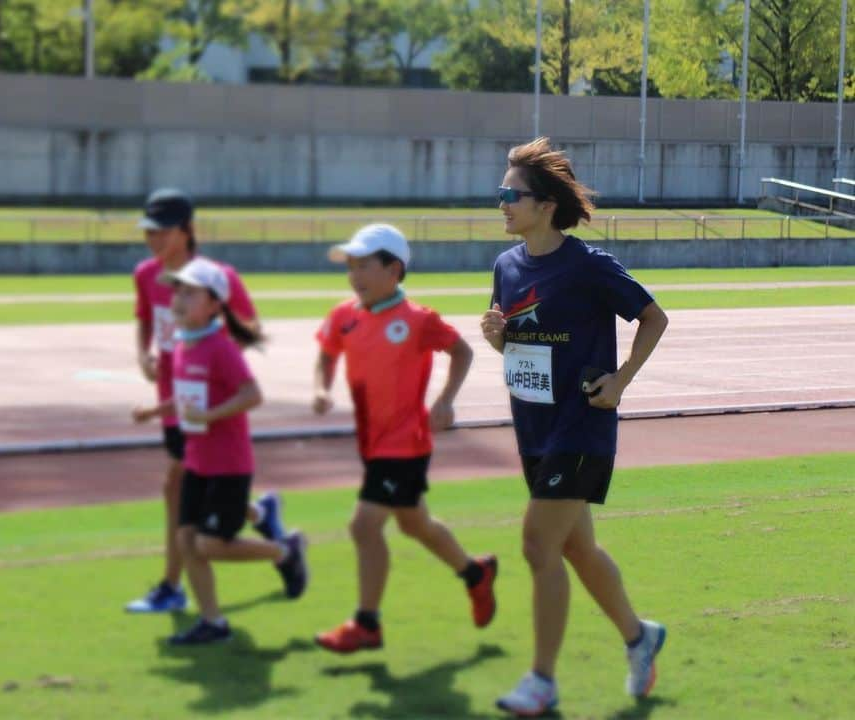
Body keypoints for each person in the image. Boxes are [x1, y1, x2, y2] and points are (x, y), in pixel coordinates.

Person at [480, 138, 669, 716]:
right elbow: (518, 340)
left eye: (512, 195)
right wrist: (498, 339)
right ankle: (640, 637)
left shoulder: (588, 266)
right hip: (532, 427)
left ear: (545, 205)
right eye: (501, 194)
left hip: (582, 427)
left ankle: (542, 681)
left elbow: (653, 317)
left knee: (539, 545)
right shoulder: (506, 266)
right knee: (578, 550)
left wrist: (621, 381)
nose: (503, 204)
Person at [312, 223, 498, 654]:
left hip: (405, 444)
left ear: (394, 269)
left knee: (364, 525)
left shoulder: (417, 320)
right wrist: (323, 389)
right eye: (350, 266)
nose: (354, 275)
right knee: (414, 524)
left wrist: (446, 401)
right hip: (372, 444)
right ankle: (475, 574)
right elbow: (326, 353)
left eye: (364, 265)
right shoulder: (344, 315)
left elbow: (462, 351)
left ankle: (367, 624)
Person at [127, 188, 287, 614]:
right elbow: (144, 321)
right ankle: (258, 514)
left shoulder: (219, 277)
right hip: (173, 399)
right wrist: (144, 356)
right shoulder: (146, 275)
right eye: (148, 232)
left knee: (176, 485)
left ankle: (172, 585)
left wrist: (212, 349)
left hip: (209, 404)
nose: (152, 240)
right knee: (191, 485)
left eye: (160, 232)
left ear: (185, 231)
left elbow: (249, 325)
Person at [134, 258, 308, 644]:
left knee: (208, 544)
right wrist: (155, 410)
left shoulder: (220, 348)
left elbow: (253, 394)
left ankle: (284, 551)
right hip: (197, 463)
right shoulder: (183, 344)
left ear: (215, 304)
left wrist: (212, 414)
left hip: (228, 466)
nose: (177, 299)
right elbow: (184, 398)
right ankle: (213, 623)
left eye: (189, 292)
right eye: (176, 291)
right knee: (186, 541)